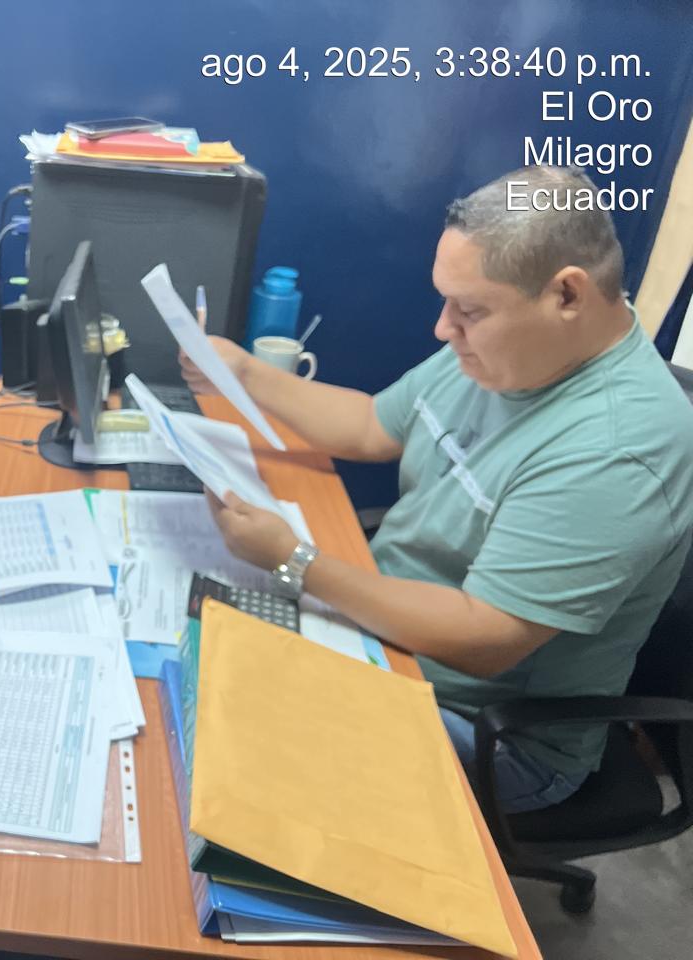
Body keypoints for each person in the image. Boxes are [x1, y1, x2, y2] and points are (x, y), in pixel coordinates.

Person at [181, 165, 693, 814]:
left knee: (218, 749)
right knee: (186, 646)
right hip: (385, 633)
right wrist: (245, 372)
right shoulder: (514, 350)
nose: (444, 329)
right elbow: (372, 424)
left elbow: (483, 638)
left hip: (491, 733)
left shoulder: (619, 449)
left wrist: (295, 562)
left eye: (469, 310)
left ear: (567, 294)